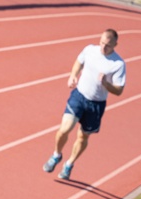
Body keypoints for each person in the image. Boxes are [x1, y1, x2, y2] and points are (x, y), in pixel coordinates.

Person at [42, 29, 126, 180]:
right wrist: (73, 75)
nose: (103, 47)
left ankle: (69, 164)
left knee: (82, 137)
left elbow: (119, 90)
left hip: (96, 105)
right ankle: (56, 155)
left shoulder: (118, 64)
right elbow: (79, 61)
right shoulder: (89, 50)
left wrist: (106, 84)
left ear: (115, 44)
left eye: (107, 45)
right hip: (79, 96)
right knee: (64, 129)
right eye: (101, 43)